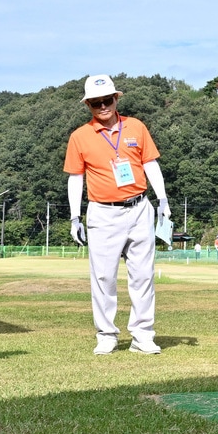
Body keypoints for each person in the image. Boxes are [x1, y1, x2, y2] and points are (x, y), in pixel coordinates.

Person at [65, 75, 172, 355]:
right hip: (102, 212)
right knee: (103, 277)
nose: (103, 106)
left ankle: (143, 335)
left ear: (116, 99)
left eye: (107, 100)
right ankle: (106, 334)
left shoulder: (136, 126)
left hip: (139, 207)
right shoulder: (79, 136)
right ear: (88, 104)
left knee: (143, 275)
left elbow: (150, 163)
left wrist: (162, 200)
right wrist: (75, 217)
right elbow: (75, 178)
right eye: (96, 103)